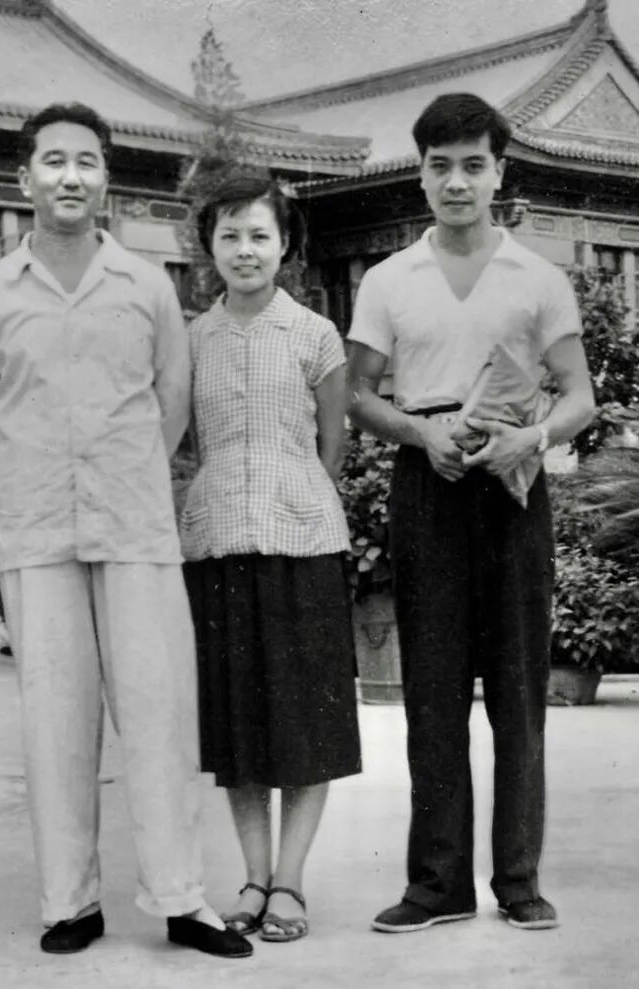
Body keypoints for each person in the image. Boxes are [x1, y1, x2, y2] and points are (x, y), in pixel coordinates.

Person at [0, 102, 252, 959]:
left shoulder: (145, 287)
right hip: (35, 528)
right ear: (24, 179)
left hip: (134, 525)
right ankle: (68, 902)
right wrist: (3, 502)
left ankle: (182, 898)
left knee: (159, 714)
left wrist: (129, 475)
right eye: (53, 161)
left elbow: (172, 400)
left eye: (85, 162)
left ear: (105, 178)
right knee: (55, 720)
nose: (69, 176)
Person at [346, 93, 596, 934]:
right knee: (432, 688)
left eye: (473, 166)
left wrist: (532, 437)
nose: (457, 182)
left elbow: (579, 396)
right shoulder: (388, 279)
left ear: (499, 173)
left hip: (514, 487)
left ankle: (518, 878)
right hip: (428, 485)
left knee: (519, 689)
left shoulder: (538, 277)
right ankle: (437, 883)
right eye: (440, 166)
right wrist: (420, 432)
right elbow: (358, 394)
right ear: (420, 175)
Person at [180, 174, 362, 943]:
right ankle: (253, 878)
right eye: (230, 235)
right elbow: (188, 441)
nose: (245, 249)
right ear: (210, 248)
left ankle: (290, 879)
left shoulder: (315, 334)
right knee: (239, 725)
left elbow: (333, 445)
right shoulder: (192, 340)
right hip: (218, 543)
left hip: (303, 544)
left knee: (307, 721)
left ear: (285, 244)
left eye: (260, 234)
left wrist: (295, 496)